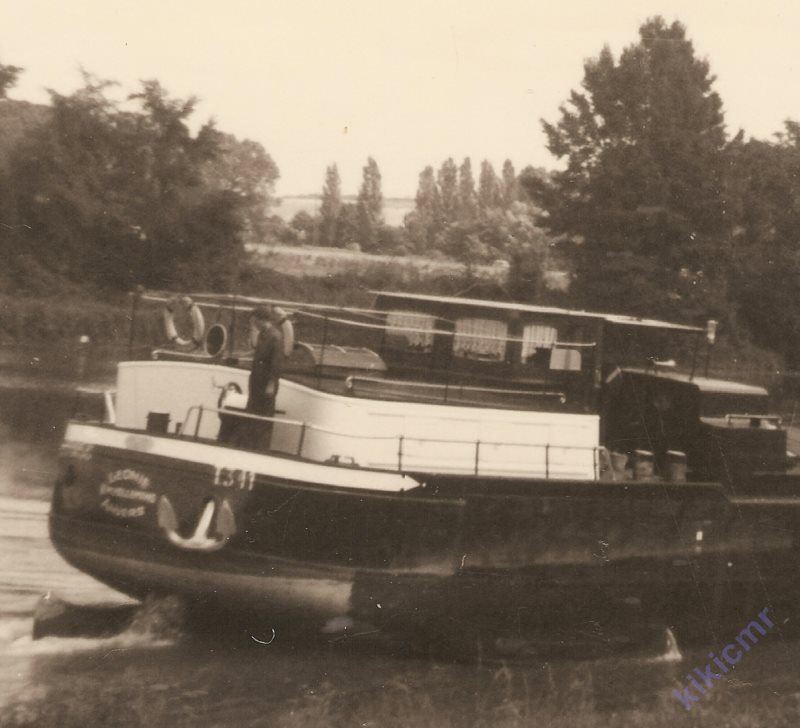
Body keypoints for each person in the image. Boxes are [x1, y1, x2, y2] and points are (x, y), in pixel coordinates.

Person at [246, 305, 284, 450]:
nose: (254, 324)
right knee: (252, 414)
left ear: (261, 320)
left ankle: (261, 447)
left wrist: (271, 384)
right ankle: (251, 446)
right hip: (257, 381)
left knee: (264, 417)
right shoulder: (263, 334)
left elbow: (276, 363)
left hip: (266, 383)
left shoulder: (275, 336)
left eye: (255, 321)